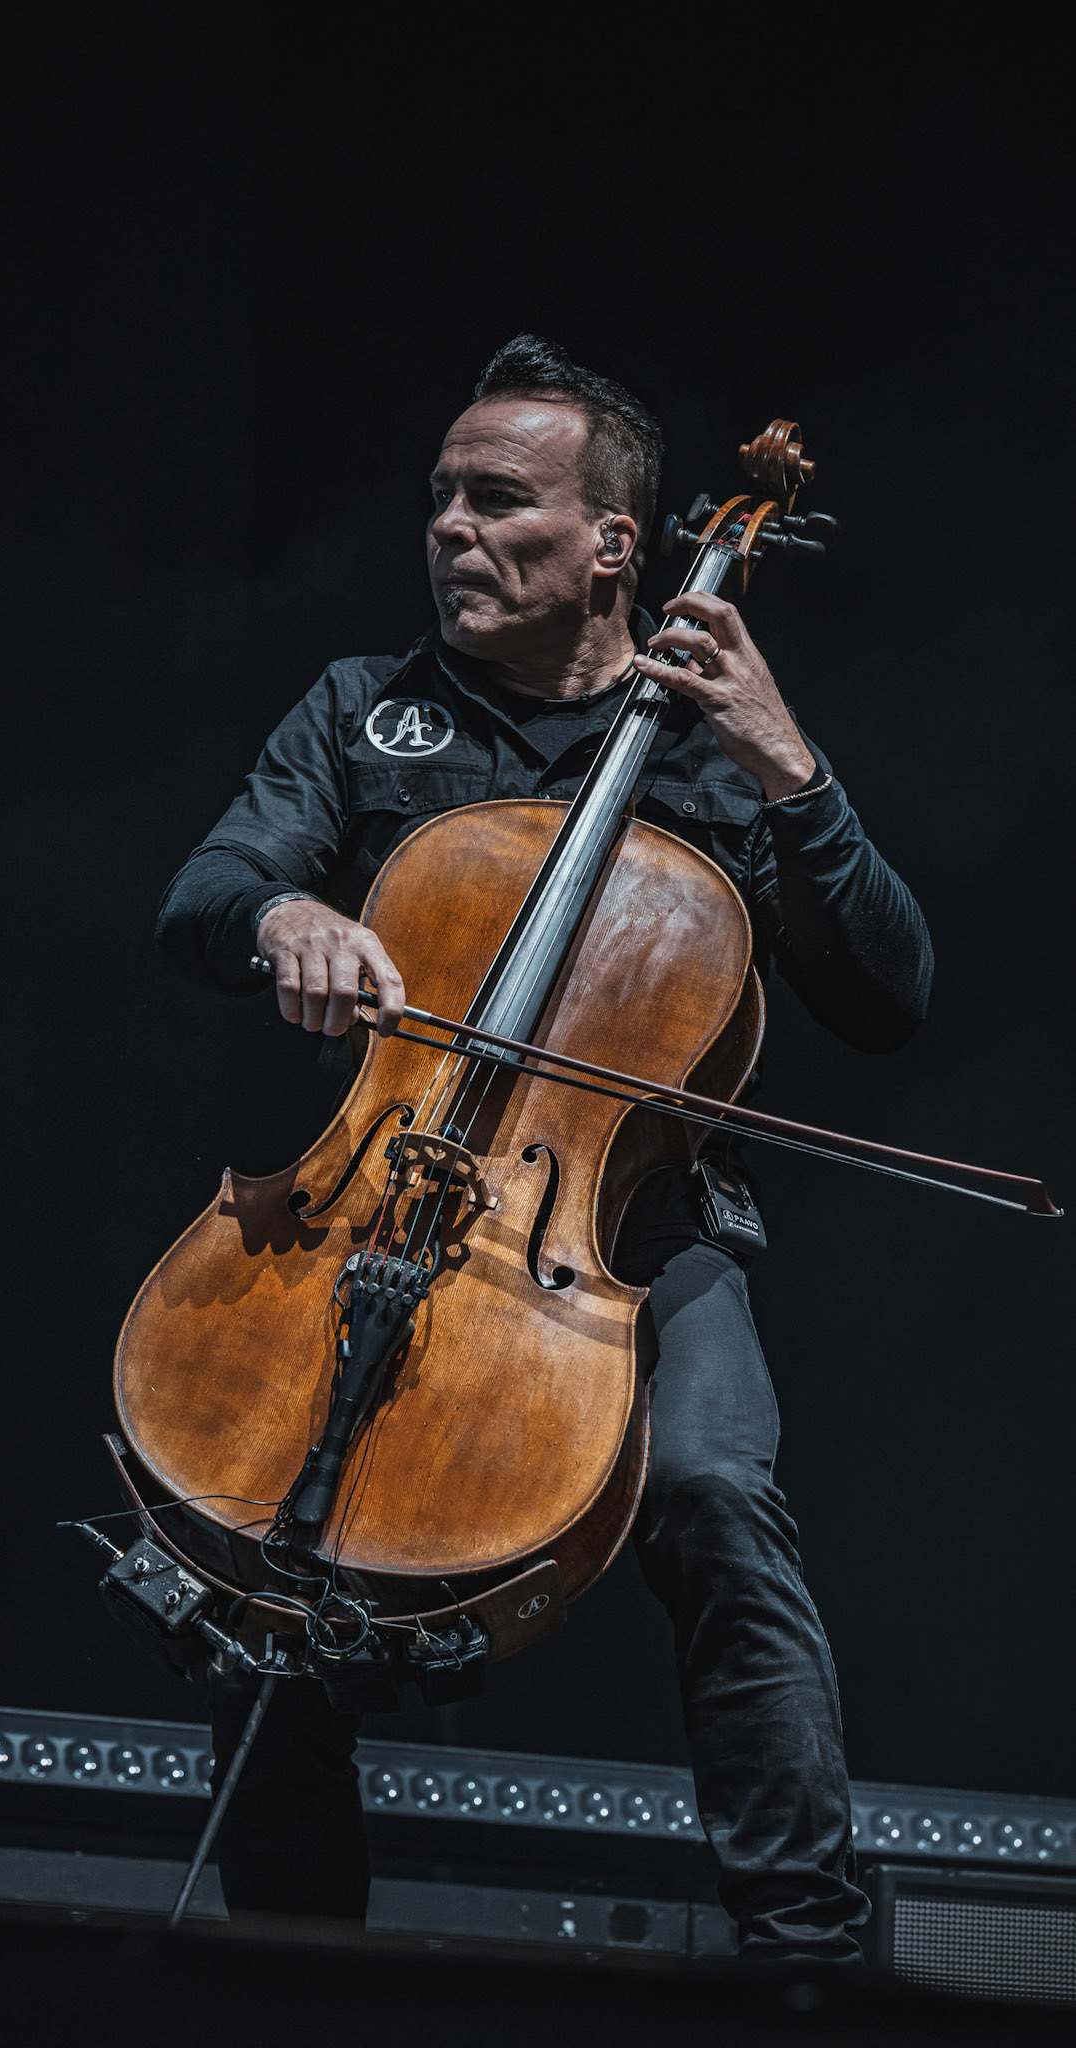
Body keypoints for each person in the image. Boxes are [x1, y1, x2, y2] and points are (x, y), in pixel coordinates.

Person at [155, 335, 933, 1965]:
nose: (450, 529)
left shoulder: (722, 748)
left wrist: (793, 770)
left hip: (628, 1226)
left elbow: (888, 996)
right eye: (440, 498)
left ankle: (807, 1953)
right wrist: (288, 909)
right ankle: (286, 1962)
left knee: (717, 1494)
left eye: (499, 501)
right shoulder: (363, 715)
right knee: (259, 1535)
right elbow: (208, 892)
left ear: (613, 546)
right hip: (384, 1192)